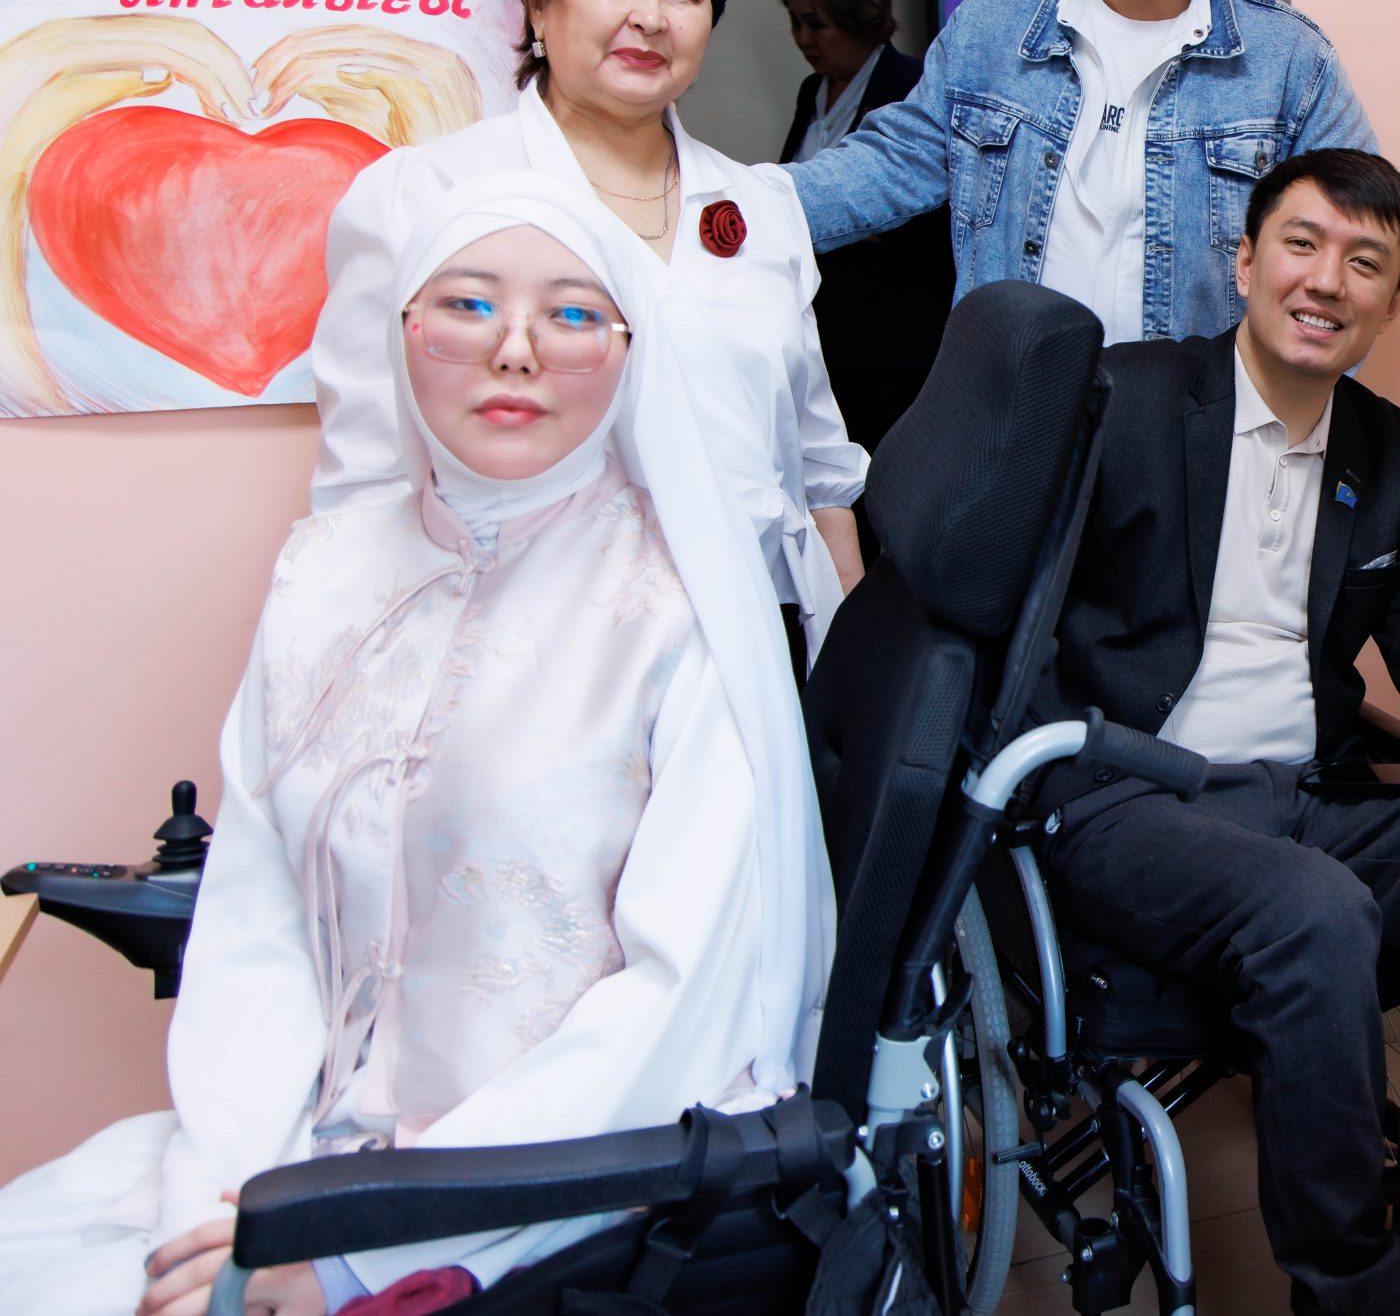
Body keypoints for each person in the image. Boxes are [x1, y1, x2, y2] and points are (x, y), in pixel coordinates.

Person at [0, 177, 831, 1316]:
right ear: (400, 332)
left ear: (630, 348)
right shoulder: (322, 575)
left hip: (556, 1191)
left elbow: (684, 1002)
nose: (515, 350)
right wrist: (228, 1200)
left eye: (572, 314)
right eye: (467, 305)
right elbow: (258, 920)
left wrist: (356, 1247)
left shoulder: (681, 612)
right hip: (299, 1153)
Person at [1033, 149, 1400, 1315]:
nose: (1326, 281)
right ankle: (1354, 1291)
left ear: (1395, 299)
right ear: (1245, 262)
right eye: (1302, 244)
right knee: (1316, 908)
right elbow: (1003, 617)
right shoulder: (1120, 398)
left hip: (1304, 790)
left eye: (1364, 262)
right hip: (1126, 793)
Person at [312, 0, 867, 666]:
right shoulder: (429, 196)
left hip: (758, 631)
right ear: (538, 5)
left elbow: (818, 467)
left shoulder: (760, 205)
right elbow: (367, 481)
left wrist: (845, 668)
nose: (651, 16)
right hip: (531, 649)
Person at [788, 0, 1375, 346]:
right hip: (1013, 400)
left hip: (1194, 409)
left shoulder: (1292, 60)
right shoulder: (992, 23)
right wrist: (745, 205)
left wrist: (1292, 403)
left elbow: (1355, 249)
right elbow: (893, 160)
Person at [775, 0, 945, 564]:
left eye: (816, 23)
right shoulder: (811, 90)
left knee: (886, 474)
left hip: (894, 329)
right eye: (796, 23)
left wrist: (861, 219)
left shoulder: (909, 83)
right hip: (828, 317)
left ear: (857, 18)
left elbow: (928, 210)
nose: (803, 38)